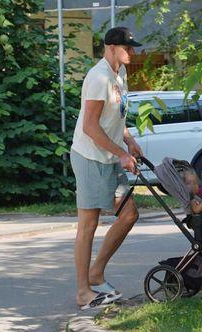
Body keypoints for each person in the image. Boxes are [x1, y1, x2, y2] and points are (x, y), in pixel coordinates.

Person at [70, 27, 143, 310]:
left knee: (129, 214)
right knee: (88, 225)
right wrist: (122, 154)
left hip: (111, 157)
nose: (132, 52)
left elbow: (115, 116)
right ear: (111, 46)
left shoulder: (119, 74)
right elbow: (89, 126)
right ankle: (82, 292)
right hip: (90, 158)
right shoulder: (98, 77)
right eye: (128, 47)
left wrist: (129, 140)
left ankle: (96, 272)